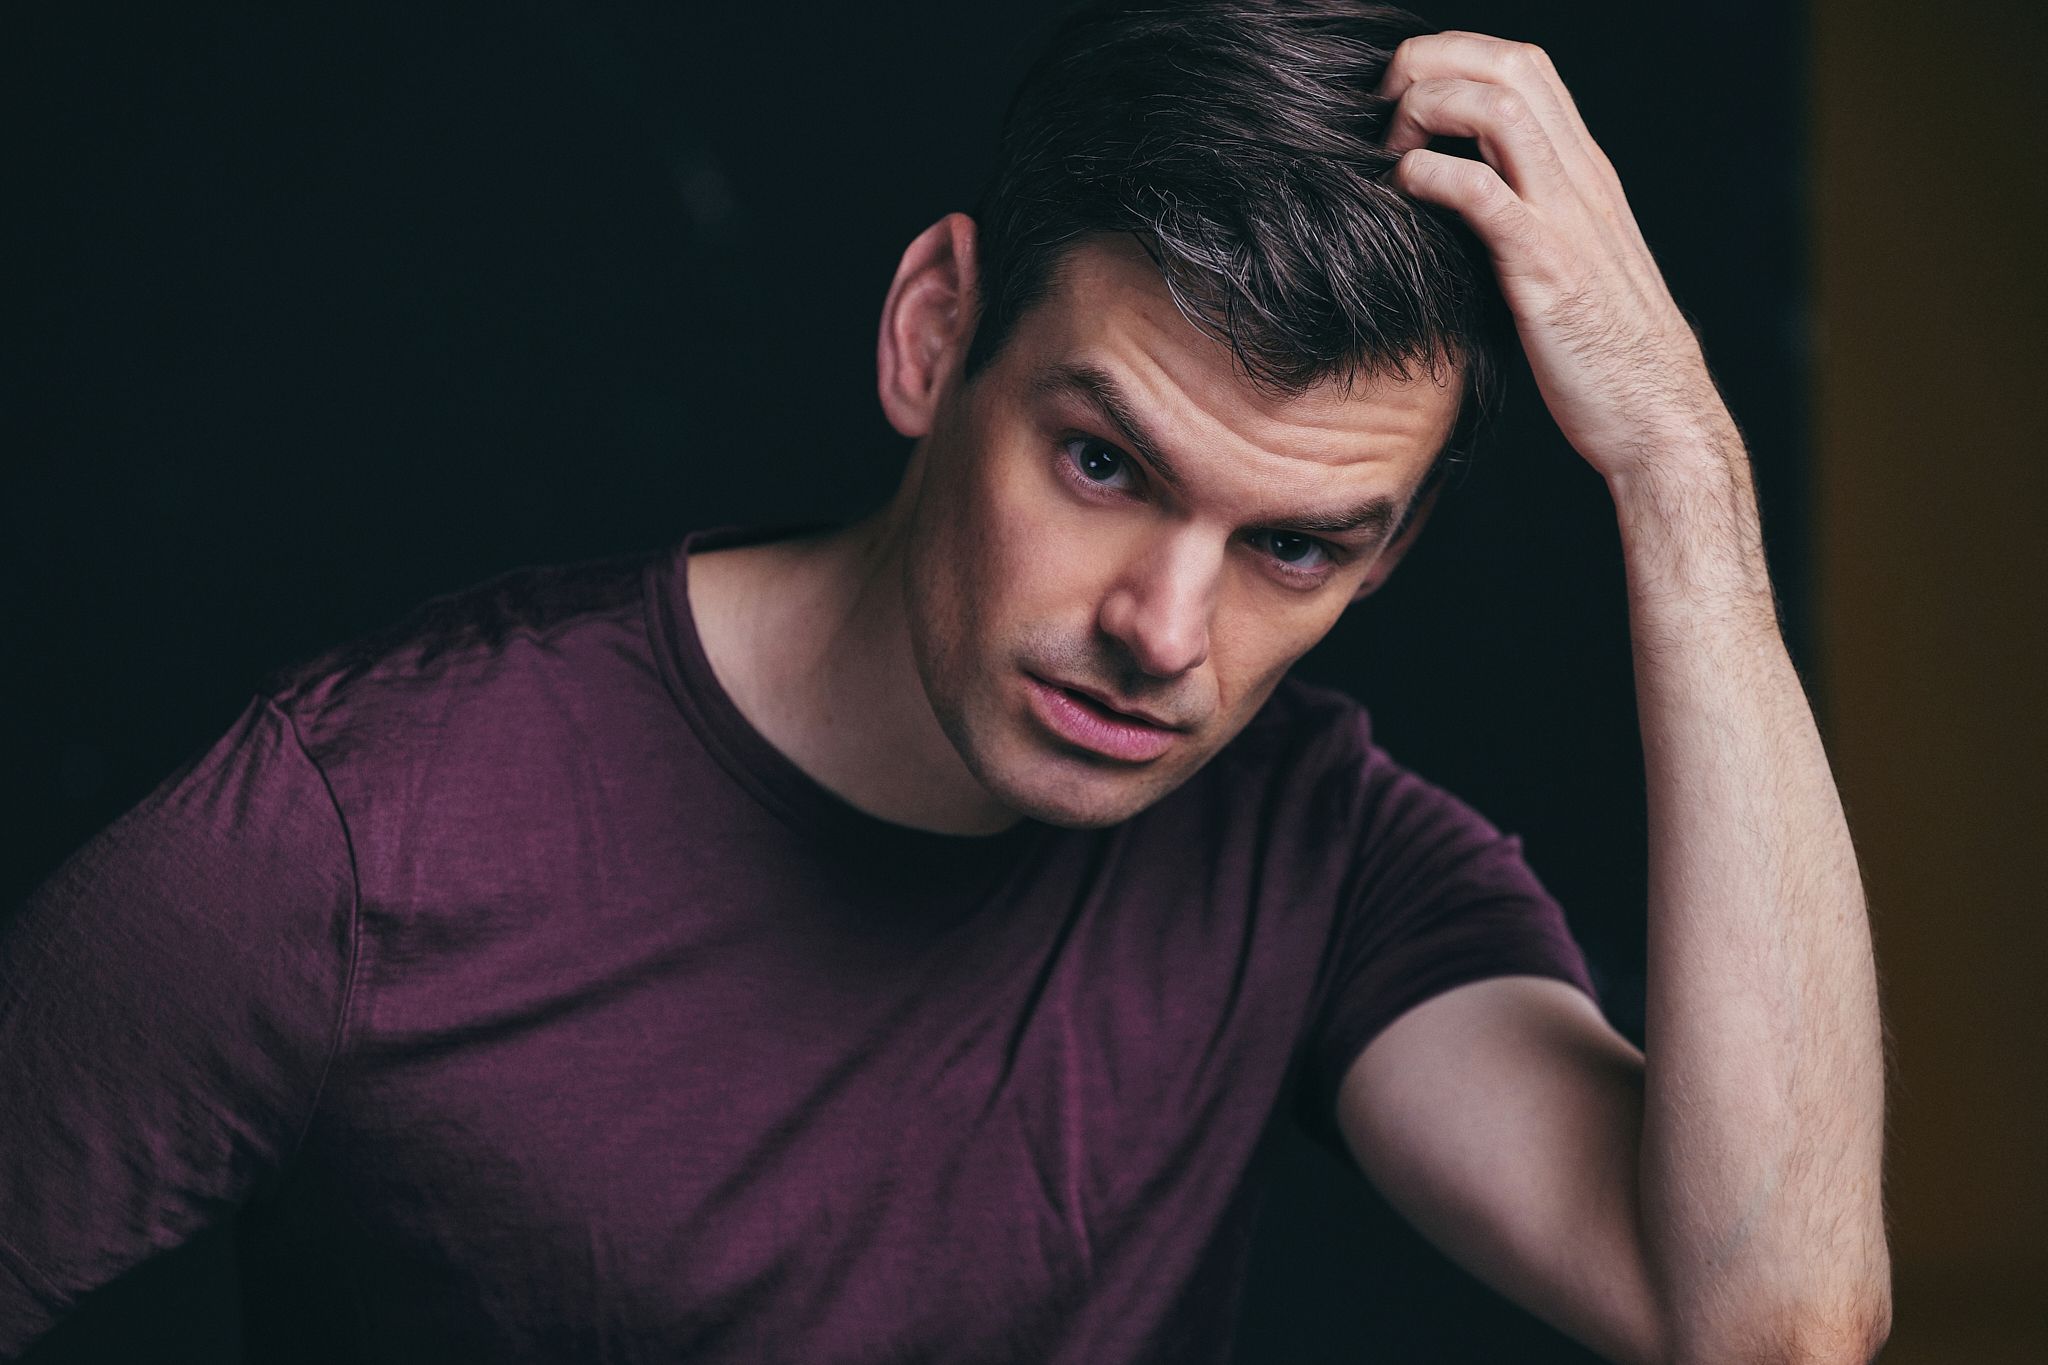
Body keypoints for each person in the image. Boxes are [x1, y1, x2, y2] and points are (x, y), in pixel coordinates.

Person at [0, 2, 1890, 1361]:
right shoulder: (353, 837)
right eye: (1103, 460)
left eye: (1295, 546)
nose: (1165, 627)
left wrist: (1686, 478)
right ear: (933, 336)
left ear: (1384, 557)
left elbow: (1778, 1320)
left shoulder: (1313, 858)